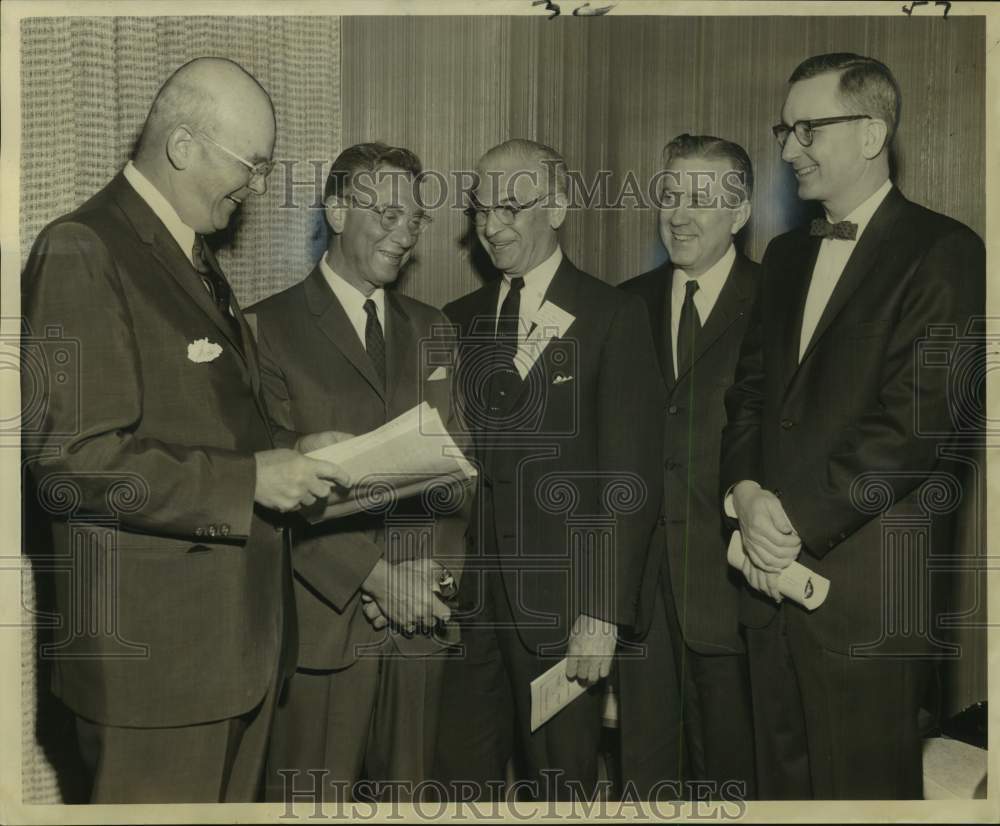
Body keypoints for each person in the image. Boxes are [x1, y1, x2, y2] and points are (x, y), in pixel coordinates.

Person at [20, 57, 350, 803]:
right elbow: (72, 459)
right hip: (157, 676)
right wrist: (251, 481)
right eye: (251, 165)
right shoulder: (83, 248)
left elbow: (206, 420)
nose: (257, 188)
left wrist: (291, 455)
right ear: (183, 146)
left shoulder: (187, 252)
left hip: (232, 657)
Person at [720, 52, 984, 799]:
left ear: (872, 133)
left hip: (868, 604)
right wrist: (742, 491)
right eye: (784, 129)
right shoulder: (783, 255)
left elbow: (916, 426)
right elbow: (749, 395)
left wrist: (791, 519)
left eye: (809, 128)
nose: (788, 149)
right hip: (767, 593)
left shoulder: (947, 251)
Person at [434, 139, 665, 800]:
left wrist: (602, 613)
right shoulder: (458, 320)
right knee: (456, 788)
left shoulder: (612, 316)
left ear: (559, 206)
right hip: (469, 614)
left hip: (564, 619)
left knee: (559, 789)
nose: (492, 225)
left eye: (512, 206)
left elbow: (630, 479)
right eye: (481, 208)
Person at [248, 143, 470, 802]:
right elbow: (267, 486)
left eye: (415, 219)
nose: (404, 233)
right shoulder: (264, 328)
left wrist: (428, 579)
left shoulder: (435, 330)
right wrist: (372, 578)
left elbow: (457, 476)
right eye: (387, 212)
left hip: (420, 629)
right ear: (338, 211)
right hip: (321, 634)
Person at [619, 133, 758, 799]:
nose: (678, 213)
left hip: (737, 599)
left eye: (700, 199)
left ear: (741, 212)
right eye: (670, 195)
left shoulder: (777, 306)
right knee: (645, 786)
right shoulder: (625, 306)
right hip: (640, 605)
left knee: (735, 785)